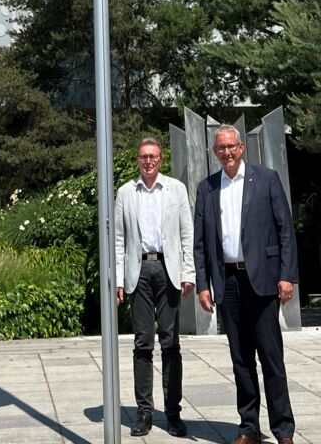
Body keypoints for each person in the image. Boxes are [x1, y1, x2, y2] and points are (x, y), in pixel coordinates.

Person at [193, 125, 299, 444]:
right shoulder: (207, 188)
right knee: (241, 360)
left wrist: (286, 275)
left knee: (271, 358)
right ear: (214, 153)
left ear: (242, 148)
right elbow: (200, 244)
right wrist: (203, 284)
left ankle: (283, 430)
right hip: (228, 282)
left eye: (231, 147)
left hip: (263, 280)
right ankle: (248, 426)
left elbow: (285, 231)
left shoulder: (266, 179)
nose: (226, 152)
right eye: (220, 148)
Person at [115, 137, 195, 437]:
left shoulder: (175, 189)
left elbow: (186, 233)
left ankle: (173, 413)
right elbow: (119, 239)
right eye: (143, 156)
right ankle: (144, 413)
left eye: (153, 156)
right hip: (139, 272)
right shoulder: (125, 192)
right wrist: (119, 279)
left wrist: (189, 273)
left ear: (161, 159)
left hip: (168, 270)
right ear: (138, 160)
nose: (148, 161)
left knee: (171, 343)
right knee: (142, 343)